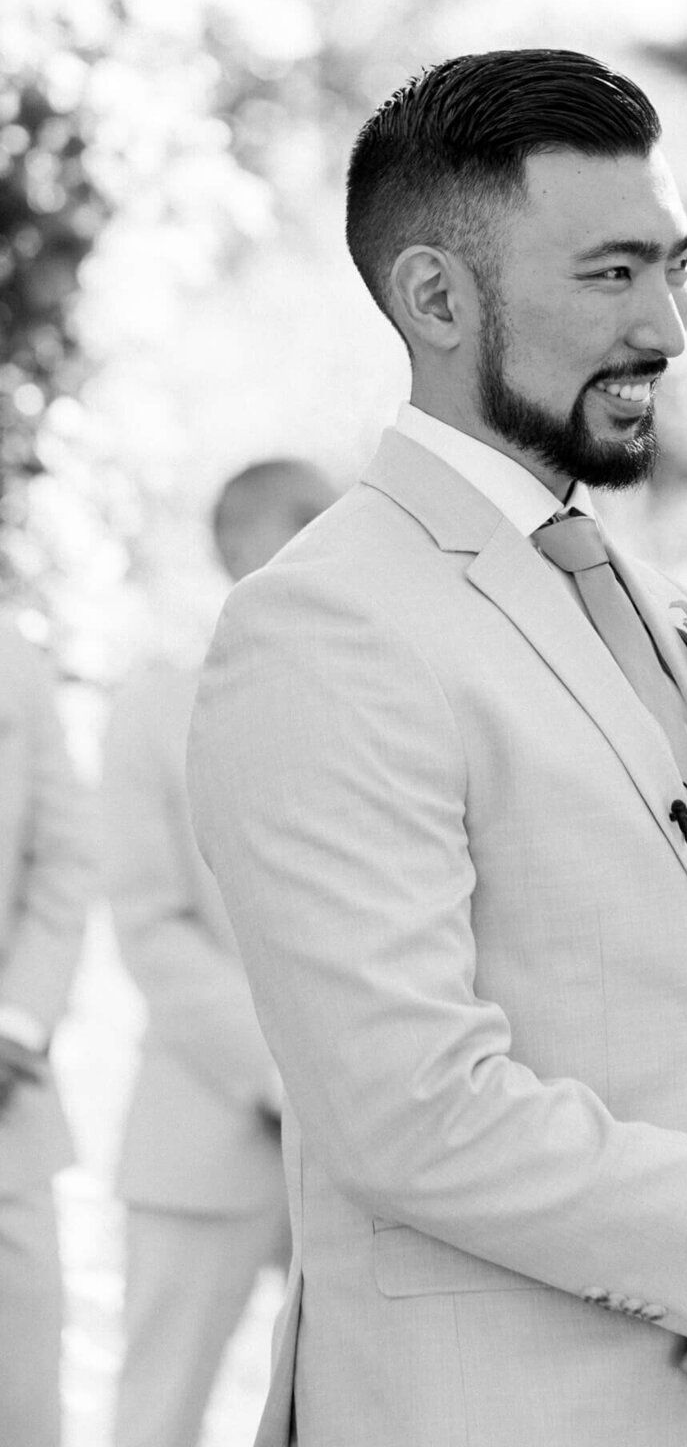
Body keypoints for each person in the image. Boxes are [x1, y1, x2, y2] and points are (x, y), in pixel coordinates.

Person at [186, 49, 687, 1447]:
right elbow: (407, 1109)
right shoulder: (322, 627)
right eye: (610, 275)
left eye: (675, 266)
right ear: (435, 297)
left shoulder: (639, 591)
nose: (669, 328)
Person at [102, 460, 336, 1447]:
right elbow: (150, 925)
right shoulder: (153, 709)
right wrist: (292, 1067)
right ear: (236, 548)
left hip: (370, 1154)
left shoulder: (381, 699)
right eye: (307, 523)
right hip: (206, 1128)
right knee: (159, 1416)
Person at [0, 618, 91, 1447]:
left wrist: (18, 1022)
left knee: (23, 1414)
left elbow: (64, 853)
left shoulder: (11, 657)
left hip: (5, 1117)